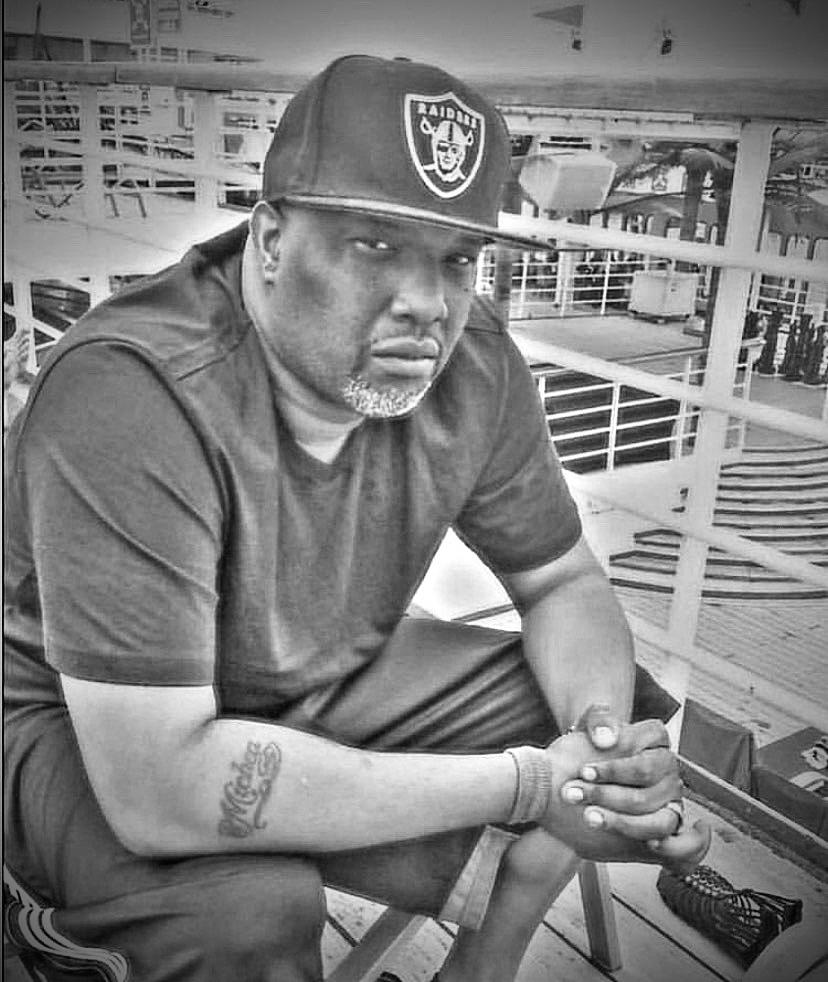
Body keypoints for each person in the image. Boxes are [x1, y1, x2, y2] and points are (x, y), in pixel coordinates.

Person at [3, 54, 710, 982]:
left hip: (314, 667)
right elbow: (158, 789)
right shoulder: (132, 392)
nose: (427, 304)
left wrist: (600, 757)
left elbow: (562, 581)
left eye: (457, 259)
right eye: (375, 246)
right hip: (82, 714)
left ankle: (483, 965)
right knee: (248, 913)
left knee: (604, 704)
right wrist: (532, 783)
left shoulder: (472, 362)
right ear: (269, 240)